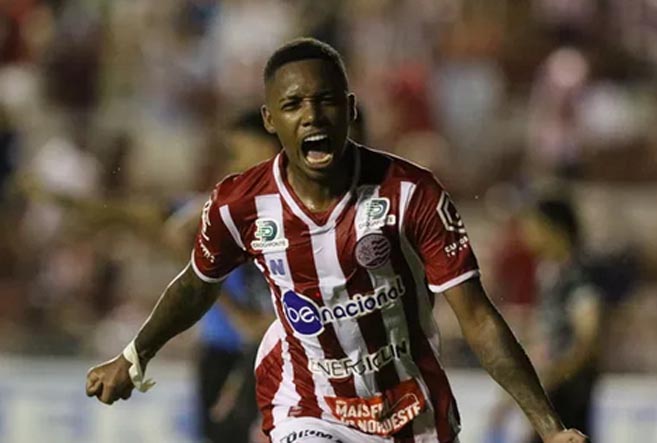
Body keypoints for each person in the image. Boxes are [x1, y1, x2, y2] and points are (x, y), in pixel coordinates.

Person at [86, 38, 589, 443]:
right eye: (292, 104)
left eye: (326, 100)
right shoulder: (239, 204)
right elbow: (197, 284)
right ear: (271, 120)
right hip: (308, 405)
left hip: (410, 408)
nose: (312, 115)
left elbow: (476, 317)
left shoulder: (410, 193)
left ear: (349, 109)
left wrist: (550, 428)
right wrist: (134, 356)